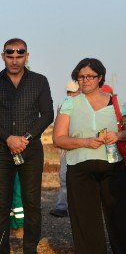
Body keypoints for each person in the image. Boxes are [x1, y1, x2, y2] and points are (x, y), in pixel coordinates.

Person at [0, 38, 54, 254]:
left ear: (26, 56)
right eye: (10, 55)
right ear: (3, 56)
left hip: (31, 151)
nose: (14, 60)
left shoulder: (39, 81)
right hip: (2, 151)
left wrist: (27, 138)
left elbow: (47, 114)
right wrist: (8, 139)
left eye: (19, 55)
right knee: (1, 205)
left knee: (32, 203)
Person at [52, 58, 126, 254]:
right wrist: (85, 142)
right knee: (86, 219)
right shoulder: (69, 104)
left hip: (114, 167)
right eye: (81, 76)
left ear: (100, 78)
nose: (85, 80)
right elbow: (59, 139)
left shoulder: (116, 103)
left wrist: (118, 135)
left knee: (120, 218)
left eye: (90, 76)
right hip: (80, 168)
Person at [49, 80, 80, 218]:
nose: (71, 94)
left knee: (66, 177)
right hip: (72, 144)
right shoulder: (69, 103)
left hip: (72, 144)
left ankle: (64, 207)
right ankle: (64, 207)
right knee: (67, 176)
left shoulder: (65, 103)